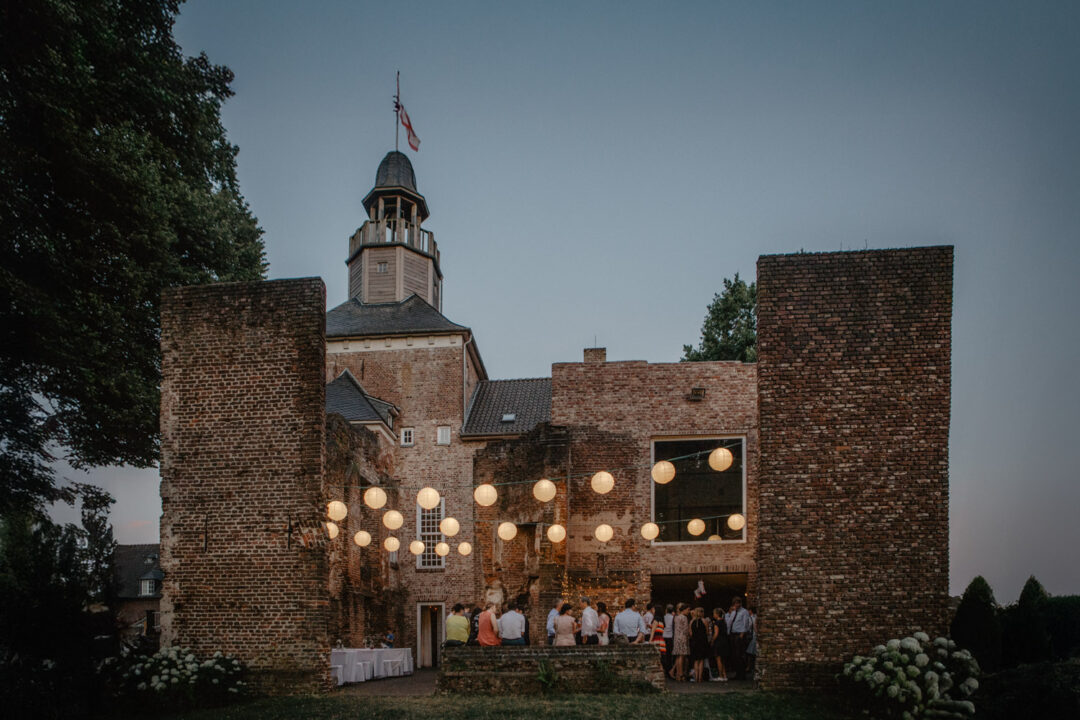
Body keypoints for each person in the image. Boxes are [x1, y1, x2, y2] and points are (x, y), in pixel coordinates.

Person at [726, 596, 752, 680]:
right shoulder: (734, 612)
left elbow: (746, 624)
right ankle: (737, 673)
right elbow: (729, 622)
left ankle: (742, 674)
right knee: (734, 655)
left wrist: (742, 634)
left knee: (740, 654)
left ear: (740, 603)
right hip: (733, 634)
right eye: (734, 604)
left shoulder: (744, 612)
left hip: (739, 634)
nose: (736, 605)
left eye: (737, 603)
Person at [689, 607, 710, 683]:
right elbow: (707, 632)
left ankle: (696, 677)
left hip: (694, 642)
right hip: (702, 642)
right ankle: (700, 678)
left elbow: (690, 634)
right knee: (701, 660)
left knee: (695, 661)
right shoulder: (705, 621)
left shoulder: (691, 622)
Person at [670, 603, 690, 681]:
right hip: (682, 638)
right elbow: (685, 630)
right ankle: (681, 673)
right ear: (684, 610)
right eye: (688, 610)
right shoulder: (684, 618)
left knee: (678, 656)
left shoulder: (676, 617)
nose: (688, 611)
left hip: (676, 638)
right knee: (682, 656)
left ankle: (678, 674)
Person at [710, 606, 729, 682]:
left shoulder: (717, 623)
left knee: (718, 659)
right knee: (723, 659)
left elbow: (716, 633)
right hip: (724, 641)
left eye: (714, 613)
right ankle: (724, 675)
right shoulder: (723, 622)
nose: (713, 615)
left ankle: (720, 675)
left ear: (717, 614)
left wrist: (712, 641)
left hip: (719, 642)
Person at [661, 603, 675, 675]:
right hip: (670, 637)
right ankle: (669, 669)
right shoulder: (673, 618)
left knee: (664, 654)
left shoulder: (663, 617)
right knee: (669, 655)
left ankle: (665, 669)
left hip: (664, 636)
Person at [745, 606, 758, 680]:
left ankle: (750, 667)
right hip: (753, 636)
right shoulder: (755, 617)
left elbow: (750, 627)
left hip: (753, 636)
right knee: (752, 653)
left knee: (750, 653)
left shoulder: (752, 618)